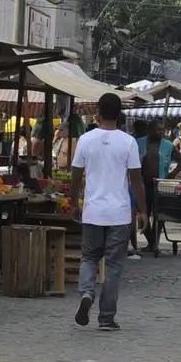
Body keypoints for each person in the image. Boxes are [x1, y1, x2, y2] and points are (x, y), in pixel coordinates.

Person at [71, 92, 146, 331]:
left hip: (93, 211)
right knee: (114, 266)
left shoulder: (86, 140)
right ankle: (106, 318)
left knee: (89, 257)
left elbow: (75, 174)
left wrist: (74, 203)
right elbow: (136, 180)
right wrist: (143, 211)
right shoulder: (128, 142)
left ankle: (86, 292)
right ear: (119, 114)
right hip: (119, 214)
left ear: (97, 113)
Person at [138, 123, 181, 254]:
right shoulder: (139, 143)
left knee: (159, 216)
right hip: (142, 185)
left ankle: (154, 244)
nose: (161, 132)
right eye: (158, 129)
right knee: (142, 216)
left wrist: (172, 173)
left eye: (162, 130)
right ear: (150, 130)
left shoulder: (167, 145)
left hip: (160, 185)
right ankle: (151, 242)